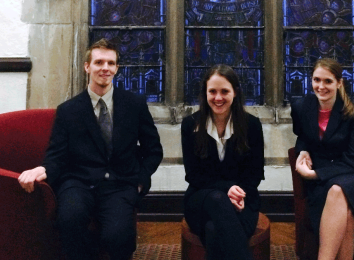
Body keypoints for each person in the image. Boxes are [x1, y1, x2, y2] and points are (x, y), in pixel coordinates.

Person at [18, 38, 163, 260]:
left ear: (117, 68)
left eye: (111, 63)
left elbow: (153, 149)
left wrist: (140, 180)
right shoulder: (68, 111)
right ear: (87, 67)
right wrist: (43, 170)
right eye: (99, 62)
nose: (105, 68)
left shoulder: (135, 104)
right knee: (69, 220)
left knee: (118, 236)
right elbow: (56, 156)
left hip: (120, 184)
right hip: (78, 183)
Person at [291, 58, 354, 260]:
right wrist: (303, 150)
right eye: (316, 80)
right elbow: (302, 135)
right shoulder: (301, 106)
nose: (321, 87)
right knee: (346, 212)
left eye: (328, 81)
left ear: (339, 82)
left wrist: (314, 175)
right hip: (325, 181)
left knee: (338, 190)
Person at [181, 64, 264, 260]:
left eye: (224, 91)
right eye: (213, 91)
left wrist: (236, 195)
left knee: (213, 229)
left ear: (235, 92)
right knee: (217, 199)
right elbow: (193, 176)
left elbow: (254, 175)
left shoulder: (252, 125)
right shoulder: (190, 125)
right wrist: (227, 189)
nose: (218, 98)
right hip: (201, 200)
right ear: (205, 93)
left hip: (243, 201)